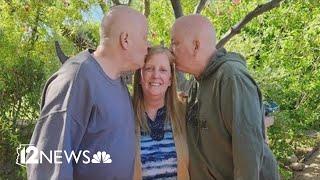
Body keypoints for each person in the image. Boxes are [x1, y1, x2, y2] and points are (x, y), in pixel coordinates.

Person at [27, 6, 149, 180]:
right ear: (126, 40)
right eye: (144, 38)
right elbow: (48, 164)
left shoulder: (118, 82)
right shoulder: (76, 79)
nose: (148, 46)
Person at [170, 15, 280, 180]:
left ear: (196, 46)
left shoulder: (231, 77)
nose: (171, 49)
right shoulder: (197, 81)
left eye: (175, 43)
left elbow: (248, 152)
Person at [132, 46, 189, 180]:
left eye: (163, 70)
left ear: (170, 79)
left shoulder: (184, 112)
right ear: (140, 77)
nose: (156, 75)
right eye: (149, 68)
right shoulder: (125, 113)